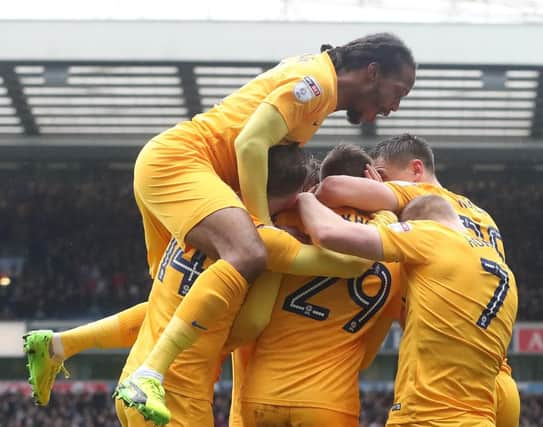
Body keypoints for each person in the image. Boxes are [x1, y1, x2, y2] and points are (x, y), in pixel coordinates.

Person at [100, 33, 414, 425]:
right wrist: (261, 225)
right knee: (250, 252)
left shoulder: (314, 82)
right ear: (372, 72)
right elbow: (249, 144)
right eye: (398, 91)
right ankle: (151, 374)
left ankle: (80, 350)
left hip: (175, 164)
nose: (394, 107)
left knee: (174, 292)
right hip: (181, 163)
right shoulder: (317, 84)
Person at [23, 145, 370, 424]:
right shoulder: (264, 242)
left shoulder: (199, 216)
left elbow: (155, 309)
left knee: (164, 304)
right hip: (177, 400)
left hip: (132, 384)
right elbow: (354, 264)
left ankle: (59, 344)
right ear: (294, 196)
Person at [315, 133, 520, 426]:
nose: (376, 182)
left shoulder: (421, 195)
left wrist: (375, 196)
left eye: (381, 175)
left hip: (445, 390)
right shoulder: (482, 218)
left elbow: (333, 188)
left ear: (416, 170)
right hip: (496, 384)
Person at [231, 143, 405, 427]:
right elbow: (365, 358)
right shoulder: (394, 253)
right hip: (328, 402)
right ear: (372, 181)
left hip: (262, 394)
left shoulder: (286, 220)